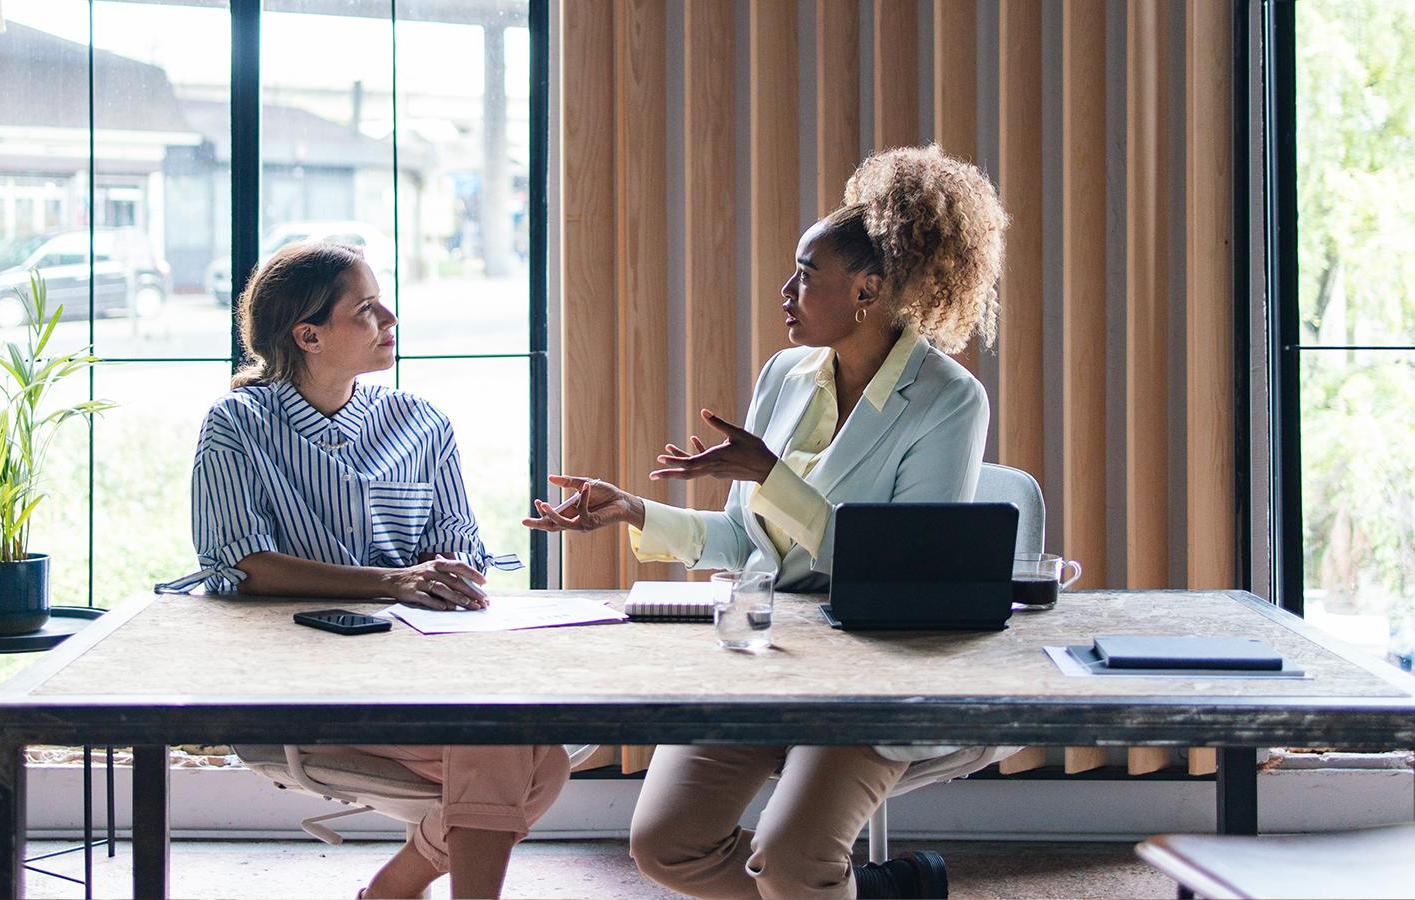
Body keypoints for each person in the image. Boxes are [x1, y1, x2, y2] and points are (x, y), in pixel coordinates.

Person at [524, 144, 1012, 899]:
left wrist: (771, 475)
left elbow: (900, 570)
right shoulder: (785, 375)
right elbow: (744, 542)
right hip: (765, 649)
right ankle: (879, 890)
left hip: (874, 669)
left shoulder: (948, 399)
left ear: (868, 290)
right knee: (666, 845)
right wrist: (634, 509)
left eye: (806, 276)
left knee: (792, 859)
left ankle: (831, 885)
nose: (786, 292)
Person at [163, 241, 568, 899]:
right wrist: (392, 581)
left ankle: (387, 893)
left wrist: (453, 575)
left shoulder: (421, 422)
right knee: (518, 753)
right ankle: (394, 892)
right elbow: (243, 565)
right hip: (300, 689)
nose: (390, 319)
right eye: (367, 309)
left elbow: (457, 547)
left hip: (420, 674)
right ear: (309, 336)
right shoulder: (237, 425)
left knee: (533, 759)